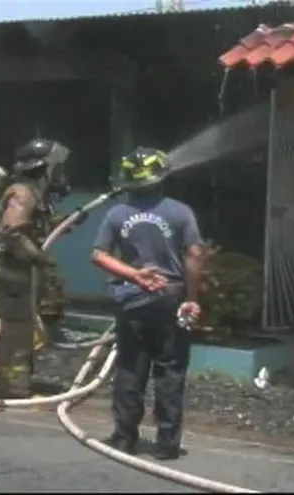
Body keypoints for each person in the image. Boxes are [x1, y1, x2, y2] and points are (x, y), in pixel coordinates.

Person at [91, 146, 205, 460]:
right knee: (170, 370)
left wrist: (134, 275)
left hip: (132, 299)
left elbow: (98, 255)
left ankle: (125, 437)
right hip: (171, 297)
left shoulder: (116, 214)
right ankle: (167, 445)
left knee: (131, 368)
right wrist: (192, 299)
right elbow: (195, 256)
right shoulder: (181, 212)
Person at [0, 137, 71, 398]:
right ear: (44, 168)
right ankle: (13, 389)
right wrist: (39, 258)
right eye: (56, 168)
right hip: (14, 276)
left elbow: (31, 226)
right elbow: (12, 231)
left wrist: (62, 223)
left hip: (23, 276)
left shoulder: (34, 194)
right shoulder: (23, 193)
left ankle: (15, 384)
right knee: (17, 334)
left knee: (24, 332)